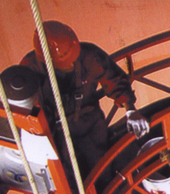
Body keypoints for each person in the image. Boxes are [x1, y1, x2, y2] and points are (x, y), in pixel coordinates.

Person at [21, 20, 149, 176]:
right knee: (68, 175)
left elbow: (114, 79)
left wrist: (130, 109)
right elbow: (26, 108)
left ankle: (105, 186)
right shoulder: (30, 70)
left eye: (73, 59)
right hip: (57, 132)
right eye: (65, 62)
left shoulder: (90, 56)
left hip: (89, 123)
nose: (71, 64)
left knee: (101, 167)